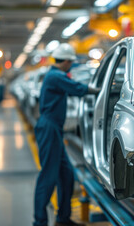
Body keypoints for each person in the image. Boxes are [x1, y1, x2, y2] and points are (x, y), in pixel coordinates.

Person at [33, 43, 99, 226]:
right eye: (71, 62)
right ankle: (39, 221)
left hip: (54, 129)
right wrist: (97, 91)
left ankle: (63, 218)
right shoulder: (55, 76)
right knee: (48, 176)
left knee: (67, 175)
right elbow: (76, 88)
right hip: (49, 128)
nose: (71, 65)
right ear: (66, 61)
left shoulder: (54, 75)